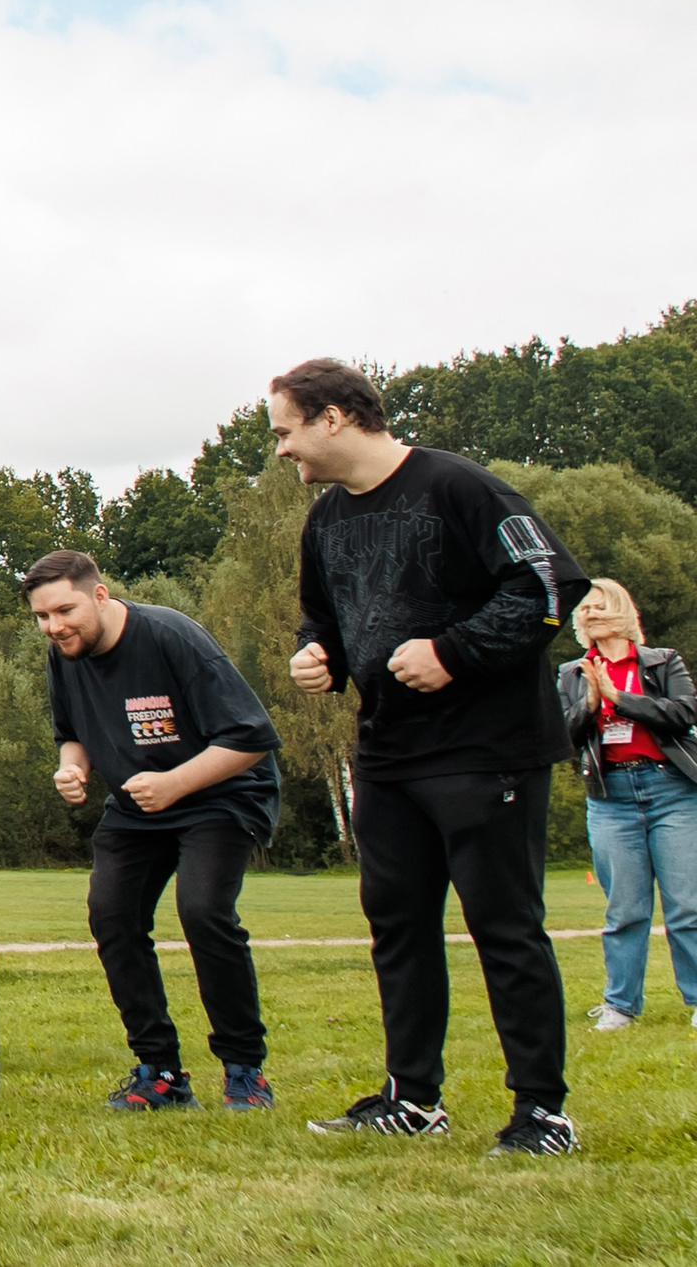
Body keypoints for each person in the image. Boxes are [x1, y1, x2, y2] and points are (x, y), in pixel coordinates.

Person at [275, 358, 591, 1157]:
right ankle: (412, 1097)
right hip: (388, 753)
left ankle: (543, 1113)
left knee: (505, 927)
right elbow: (327, 617)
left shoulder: (460, 488)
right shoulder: (326, 521)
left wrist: (454, 650)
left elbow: (551, 585)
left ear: (335, 416)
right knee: (399, 927)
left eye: (286, 431)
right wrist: (319, 656)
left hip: (486, 750)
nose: (282, 451)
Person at [26, 549, 283, 1112]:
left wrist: (175, 784)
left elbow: (251, 738)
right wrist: (74, 768)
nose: (55, 627)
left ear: (100, 594)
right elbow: (73, 733)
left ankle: (245, 1071)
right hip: (138, 804)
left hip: (222, 794)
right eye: (42, 617)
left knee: (204, 912)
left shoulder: (172, 636)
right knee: (112, 917)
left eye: (64, 611)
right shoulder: (63, 655)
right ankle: (160, 1073)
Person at [558, 578, 697, 1033]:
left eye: (600, 607)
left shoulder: (662, 662)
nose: (591, 614)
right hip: (611, 798)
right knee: (625, 910)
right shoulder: (571, 674)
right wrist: (591, 703)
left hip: (671, 792)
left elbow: (683, 713)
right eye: (585, 609)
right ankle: (620, 1005)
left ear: (620, 611)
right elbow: (564, 737)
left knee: (687, 906)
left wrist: (621, 700)